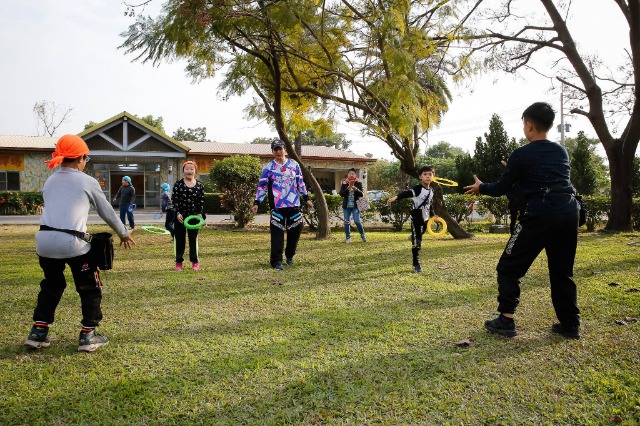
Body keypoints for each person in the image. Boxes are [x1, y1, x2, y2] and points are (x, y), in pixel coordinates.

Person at [464, 102, 581, 339]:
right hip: (568, 213)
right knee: (562, 272)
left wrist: (481, 187)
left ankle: (506, 321)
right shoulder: (561, 151)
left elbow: (501, 187)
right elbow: (546, 180)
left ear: (528, 125)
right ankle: (570, 325)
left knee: (508, 267)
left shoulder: (521, 154)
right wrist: (519, 172)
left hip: (540, 215)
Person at [24, 134, 136, 353]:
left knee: (51, 286)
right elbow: (106, 211)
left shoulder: (50, 180)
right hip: (73, 244)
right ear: (81, 158)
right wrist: (123, 232)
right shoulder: (87, 181)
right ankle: (88, 335)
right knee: (90, 288)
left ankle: (38, 332)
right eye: (87, 158)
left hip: (44, 243)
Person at [251, 139, 314, 270]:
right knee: (277, 235)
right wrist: (257, 202)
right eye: (275, 149)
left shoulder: (294, 165)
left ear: (285, 149)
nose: (278, 152)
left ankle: (289, 255)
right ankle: (276, 262)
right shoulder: (268, 168)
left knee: (295, 232)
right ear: (272, 151)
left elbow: (300, 183)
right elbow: (262, 186)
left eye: (280, 149)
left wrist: (306, 198)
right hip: (277, 206)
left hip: (294, 204)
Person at [386, 165, 436, 273]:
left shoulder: (431, 190)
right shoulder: (418, 188)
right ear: (420, 177)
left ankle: (413, 236)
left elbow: (429, 204)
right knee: (417, 242)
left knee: (419, 235)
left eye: (430, 174)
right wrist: (396, 197)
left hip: (426, 218)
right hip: (416, 218)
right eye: (425, 174)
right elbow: (407, 193)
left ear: (433, 176)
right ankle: (416, 263)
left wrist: (433, 215)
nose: (427, 176)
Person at [172, 161, 205, 271]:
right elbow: (175, 200)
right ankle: (179, 262)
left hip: (194, 217)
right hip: (180, 216)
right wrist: (177, 213)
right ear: (183, 171)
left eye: (192, 169)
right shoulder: (178, 184)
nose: (189, 171)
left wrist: (200, 214)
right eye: (187, 169)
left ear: (195, 171)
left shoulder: (200, 185)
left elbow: (201, 202)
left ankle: (194, 261)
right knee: (180, 240)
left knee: (193, 239)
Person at [339, 168, 367, 243]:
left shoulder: (358, 183)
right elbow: (341, 194)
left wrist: (356, 189)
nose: (351, 175)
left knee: (357, 221)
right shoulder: (344, 183)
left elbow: (362, 194)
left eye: (353, 174)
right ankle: (348, 237)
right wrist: (347, 189)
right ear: (348, 175)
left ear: (355, 175)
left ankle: (363, 235)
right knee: (346, 221)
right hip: (346, 206)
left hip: (355, 206)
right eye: (350, 173)